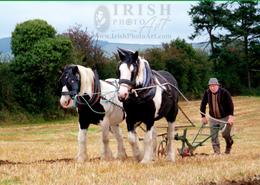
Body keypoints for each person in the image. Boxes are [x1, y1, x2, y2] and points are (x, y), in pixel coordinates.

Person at [200, 78, 234, 154]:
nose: (212, 87)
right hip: (213, 118)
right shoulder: (207, 93)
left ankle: (229, 144)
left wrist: (231, 117)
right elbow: (203, 105)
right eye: (211, 86)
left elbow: (230, 105)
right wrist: (203, 116)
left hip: (225, 117)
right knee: (213, 136)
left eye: (214, 86)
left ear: (218, 85)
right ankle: (217, 152)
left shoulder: (225, 93)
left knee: (225, 134)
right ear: (209, 87)